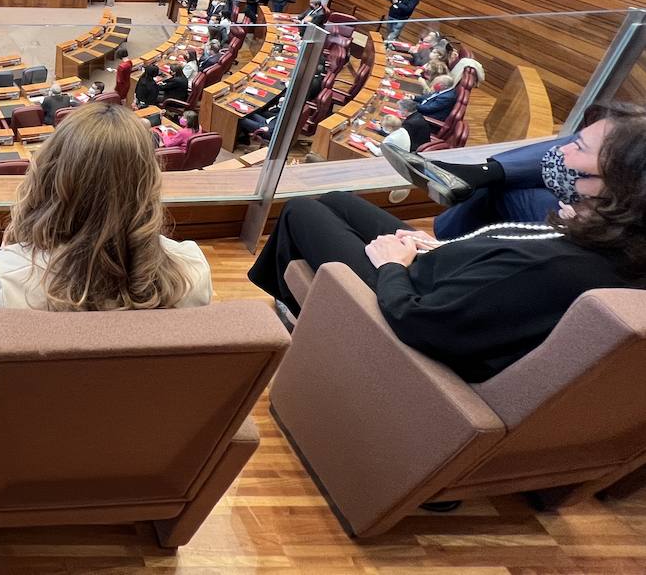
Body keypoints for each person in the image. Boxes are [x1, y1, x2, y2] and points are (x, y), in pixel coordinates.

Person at [252, 105, 646, 381]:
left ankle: (298, 308)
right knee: (338, 200)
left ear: (618, 186)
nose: (558, 151)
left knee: (302, 210)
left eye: (577, 148)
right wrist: (443, 250)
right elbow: (497, 274)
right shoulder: (608, 239)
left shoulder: (553, 264)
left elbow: (421, 321)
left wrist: (393, 265)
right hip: (445, 273)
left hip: (410, 299)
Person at [0, 102, 212, 361]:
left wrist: (0, 261)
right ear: (148, 185)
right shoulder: (193, 270)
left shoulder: (6, 278)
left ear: (49, 178)